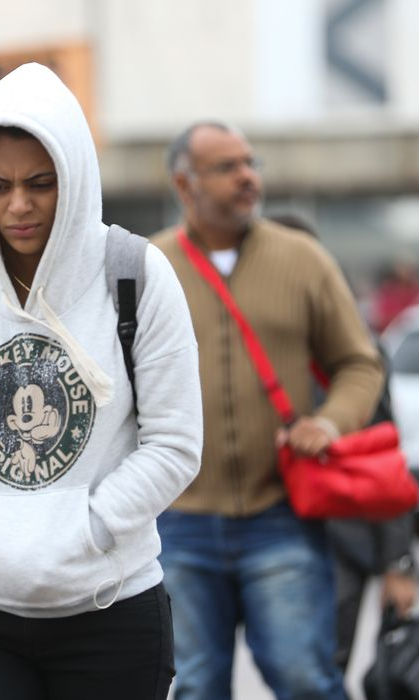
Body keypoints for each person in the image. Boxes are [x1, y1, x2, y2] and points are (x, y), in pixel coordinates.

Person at [0, 63, 203, 698]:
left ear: (76, 175)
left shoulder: (136, 273)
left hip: (112, 607)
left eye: (40, 183)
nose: (18, 205)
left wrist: (89, 527)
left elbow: (175, 442)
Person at [151, 122, 385, 699]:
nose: (247, 176)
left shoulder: (303, 259)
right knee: (195, 686)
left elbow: (361, 363)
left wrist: (328, 423)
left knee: (305, 678)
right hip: (176, 523)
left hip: (280, 515)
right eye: (227, 167)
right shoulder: (147, 267)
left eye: (250, 162)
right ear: (185, 185)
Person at [267, 212, 417, 682]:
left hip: (338, 544)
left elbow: (386, 460)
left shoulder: (358, 354)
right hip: (251, 534)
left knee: (319, 675)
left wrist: (398, 564)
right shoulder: (224, 345)